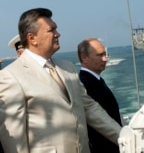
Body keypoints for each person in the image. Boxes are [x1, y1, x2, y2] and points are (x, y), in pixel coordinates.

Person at [0, 8, 121, 153]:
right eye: (51, 30)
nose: (58, 34)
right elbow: (15, 139)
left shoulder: (68, 68)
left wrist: (123, 135)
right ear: (32, 38)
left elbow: (89, 107)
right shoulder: (11, 76)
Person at [77, 38, 123, 153]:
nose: (105, 59)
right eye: (100, 55)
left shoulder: (96, 80)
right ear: (84, 57)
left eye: (105, 54)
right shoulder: (85, 84)